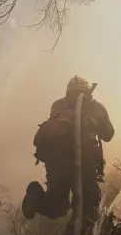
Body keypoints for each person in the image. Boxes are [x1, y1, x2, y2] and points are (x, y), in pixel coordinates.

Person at [22, 76, 114, 223]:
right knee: (89, 208)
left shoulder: (58, 105)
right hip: (85, 163)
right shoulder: (96, 107)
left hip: (57, 163)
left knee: (56, 208)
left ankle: (35, 195)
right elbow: (108, 135)